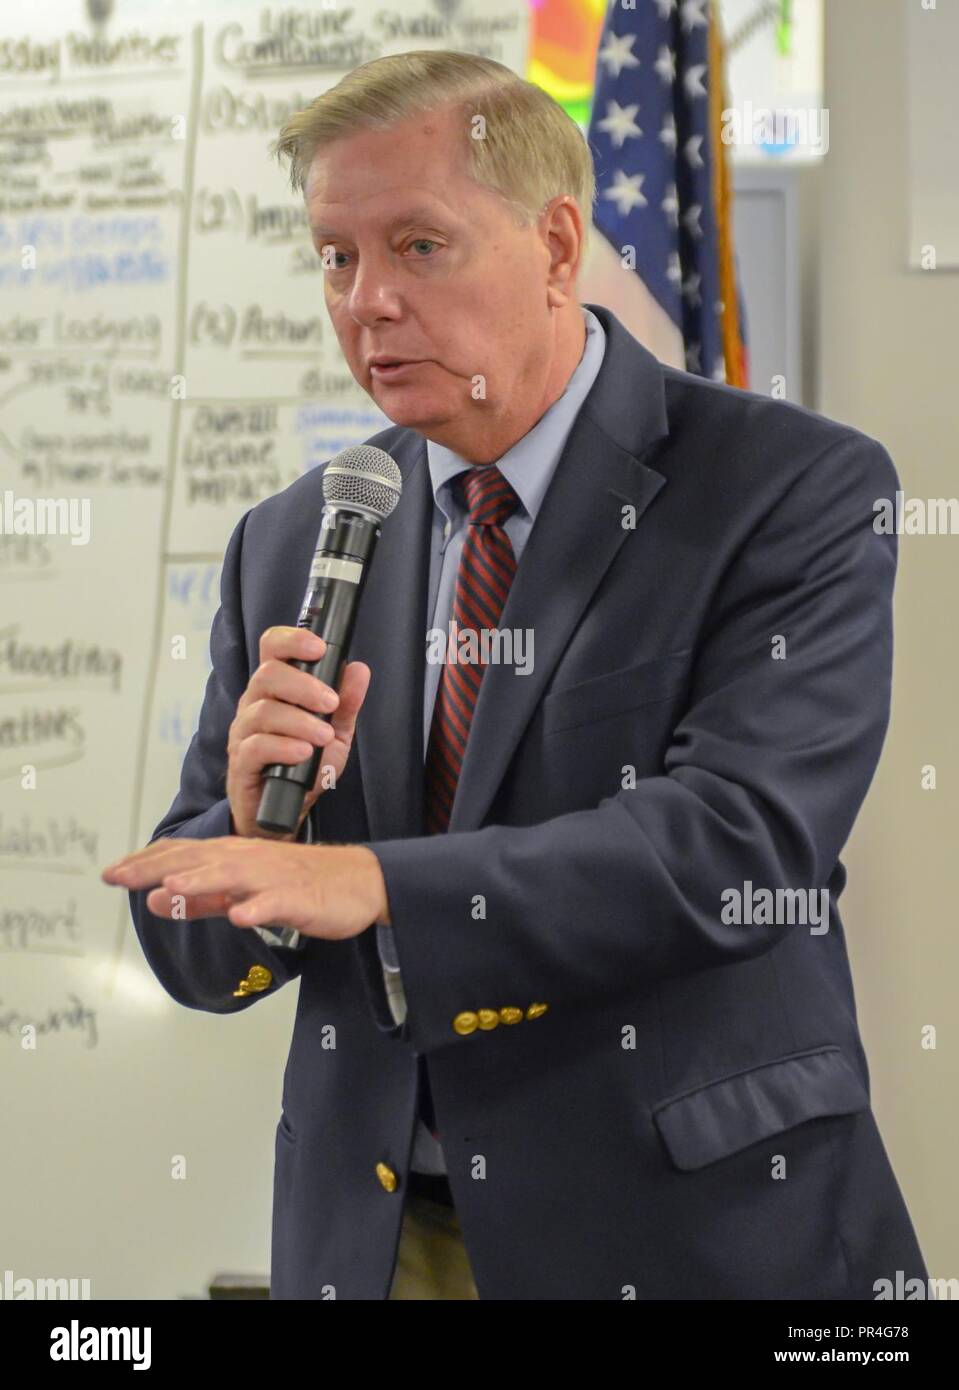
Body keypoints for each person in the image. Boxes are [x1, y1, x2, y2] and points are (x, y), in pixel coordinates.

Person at [104, 50, 927, 1300]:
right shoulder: (293, 536)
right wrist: (254, 830)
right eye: (335, 255)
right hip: (377, 1239)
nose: (366, 300)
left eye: (416, 246)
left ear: (552, 244)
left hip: (688, 1233)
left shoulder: (786, 489)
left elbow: (737, 847)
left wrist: (366, 876)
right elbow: (207, 951)